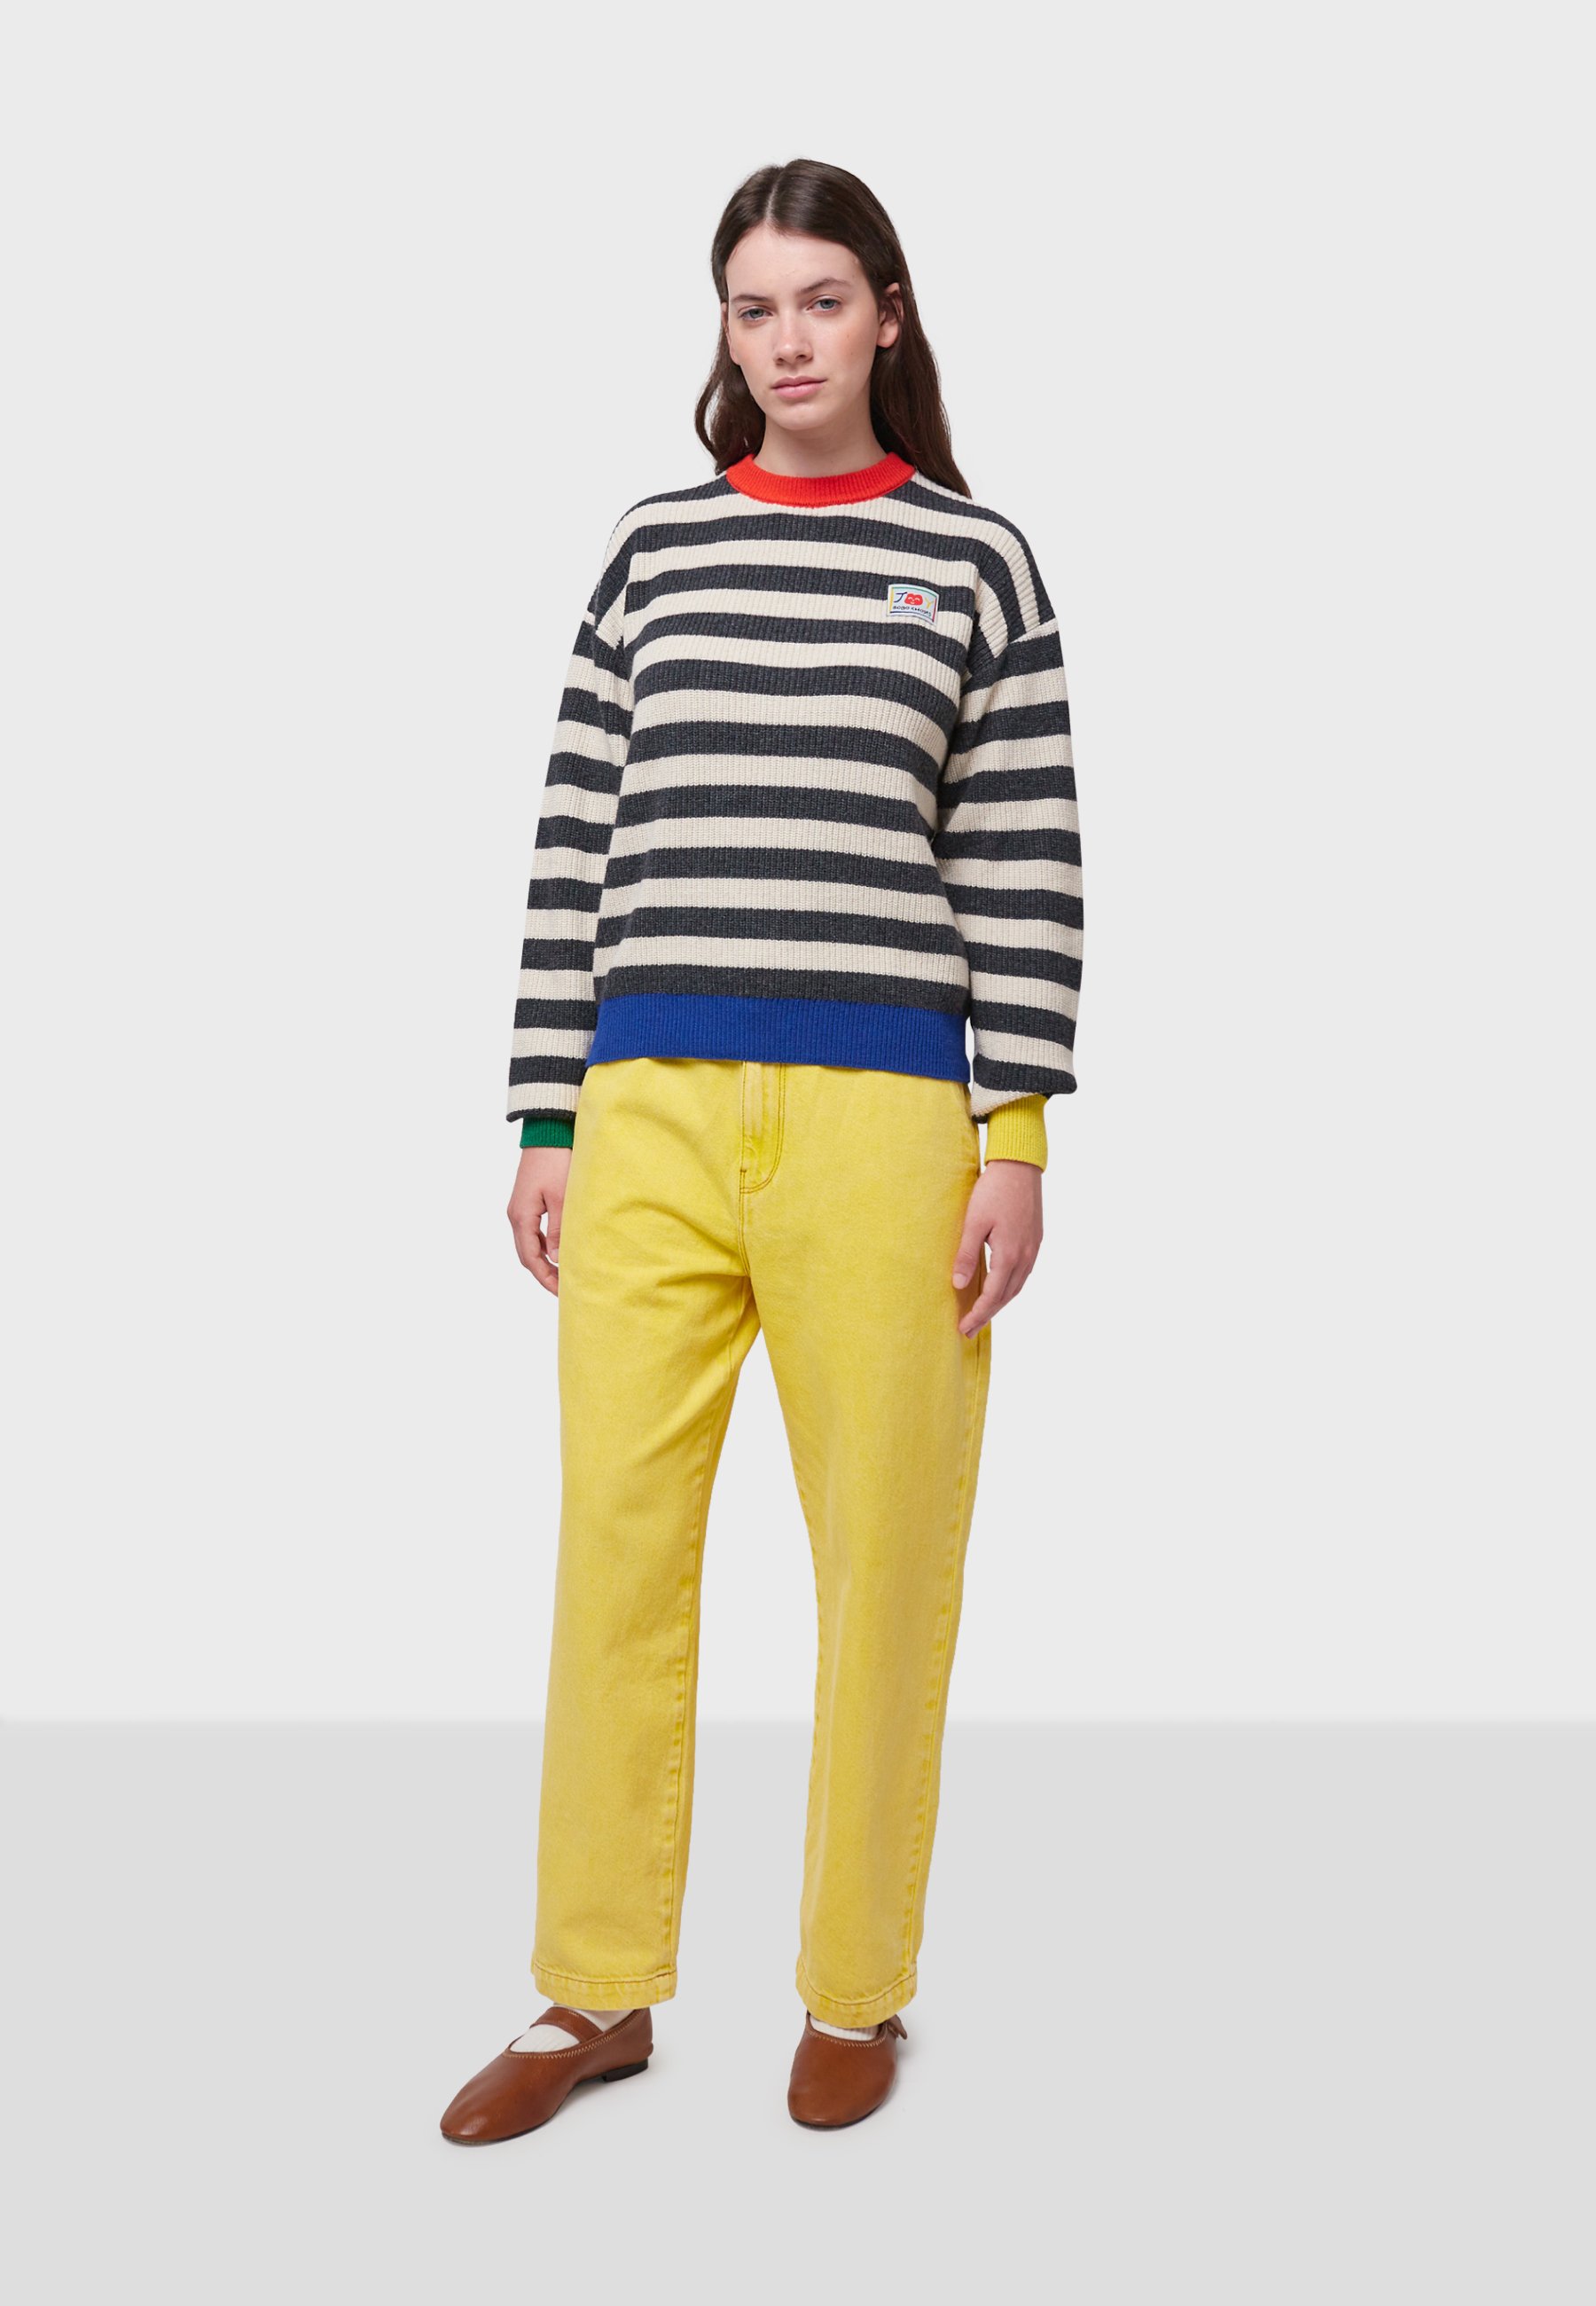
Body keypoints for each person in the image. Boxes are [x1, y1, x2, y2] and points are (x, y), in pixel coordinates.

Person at [441, 155, 1082, 2143]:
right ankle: (593, 1988)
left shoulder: (975, 562)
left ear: (888, 313)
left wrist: (1015, 1135)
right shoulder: (654, 550)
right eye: (751, 306)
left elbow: (1021, 862)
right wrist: (546, 1109)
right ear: (722, 331)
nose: (787, 340)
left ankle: (856, 1988)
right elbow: (577, 840)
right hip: (643, 1114)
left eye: (820, 300)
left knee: (885, 1556)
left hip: (889, 1128)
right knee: (616, 1550)